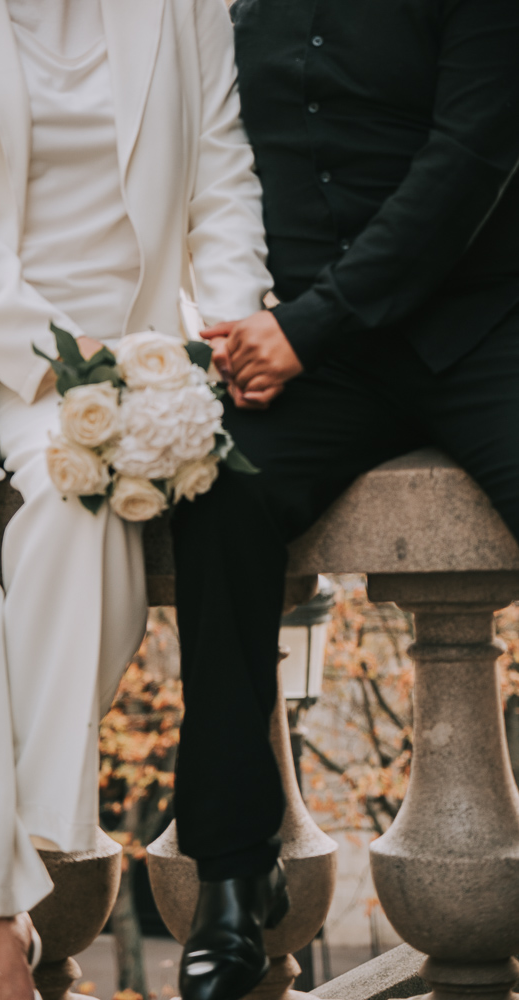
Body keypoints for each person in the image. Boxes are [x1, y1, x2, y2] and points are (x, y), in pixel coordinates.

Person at [0, 0, 271, 996]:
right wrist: (56, 360)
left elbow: (220, 173)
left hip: (112, 334)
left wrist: (235, 328)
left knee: (76, 519)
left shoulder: (184, 8)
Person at [171, 2, 519, 1000]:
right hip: (329, 360)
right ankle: (234, 878)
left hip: (480, 328)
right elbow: (216, 164)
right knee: (218, 497)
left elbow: (462, 169)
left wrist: (306, 329)